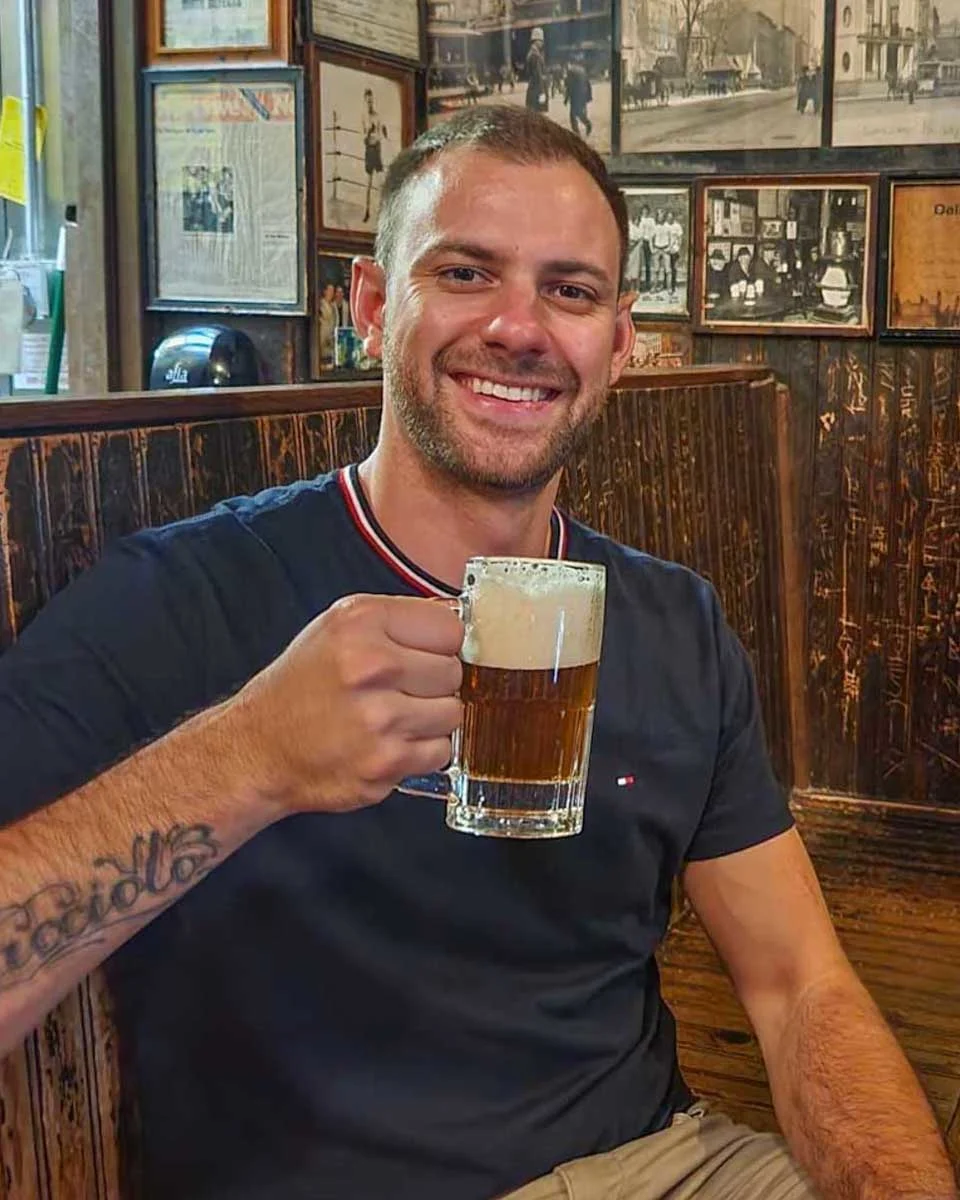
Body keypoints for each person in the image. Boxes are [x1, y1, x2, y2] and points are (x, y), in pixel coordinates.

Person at [0, 107, 955, 1200]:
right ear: (371, 306)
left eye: (572, 290)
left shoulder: (674, 624)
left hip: (652, 1166)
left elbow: (798, 987)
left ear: (619, 343)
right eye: (464, 273)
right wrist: (246, 757)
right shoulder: (183, 597)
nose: (520, 327)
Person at [361, 86, 387, 224]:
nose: (370, 103)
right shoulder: (364, 117)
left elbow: (382, 131)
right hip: (369, 151)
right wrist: (368, 132)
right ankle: (366, 211)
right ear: (365, 101)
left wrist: (382, 132)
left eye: (371, 101)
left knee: (380, 183)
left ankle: (383, 213)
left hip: (377, 149)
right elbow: (363, 137)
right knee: (368, 184)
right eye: (368, 101)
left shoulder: (377, 116)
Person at [564, 52, 593, 137]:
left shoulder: (571, 70)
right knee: (579, 113)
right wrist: (589, 96)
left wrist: (566, 98)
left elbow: (570, 85)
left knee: (574, 115)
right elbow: (588, 83)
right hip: (583, 95)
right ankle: (586, 125)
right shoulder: (582, 69)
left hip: (575, 96)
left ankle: (579, 131)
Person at [525, 27, 549, 113]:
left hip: (533, 89)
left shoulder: (531, 53)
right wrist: (542, 92)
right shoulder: (535, 55)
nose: (542, 43)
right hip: (537, 90)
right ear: (537, 41)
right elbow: (538, 74)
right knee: (538, 116)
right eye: (541, 41)